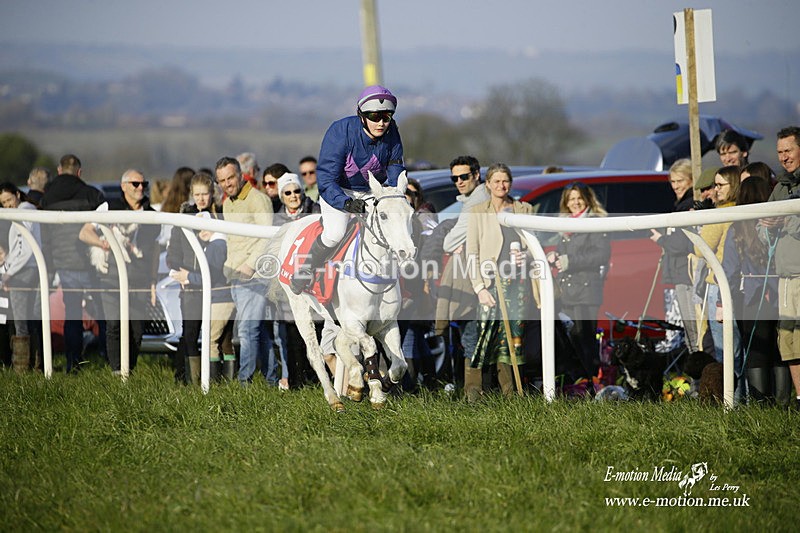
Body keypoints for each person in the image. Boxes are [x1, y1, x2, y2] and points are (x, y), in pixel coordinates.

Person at [289, 85, 404, 295]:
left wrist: (392, 196)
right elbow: (325, 179)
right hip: (339, 191)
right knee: (335, 233)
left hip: (373, 192)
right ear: (361, 116)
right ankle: (304, 273)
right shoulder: (340, 131)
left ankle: (402, 286)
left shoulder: (392, 131)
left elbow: (395, 167)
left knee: (396, 229)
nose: (381, 123)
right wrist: (346, 203)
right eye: (374, 116)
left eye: (386, 116)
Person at [465, 163, 537, 400]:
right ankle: (474, 392)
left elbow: (535, 247)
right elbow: (471, 252)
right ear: (487, 184)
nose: (501, 185)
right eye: (496, 181)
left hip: (517, 282)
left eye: (505, 181)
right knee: (483, 336)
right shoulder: (477, 211)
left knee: (511, 338)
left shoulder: (524, 210)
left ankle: (512, 392)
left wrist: (525, 255)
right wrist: (479, 288)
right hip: (489, 282)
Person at [80, 169, 160, 375]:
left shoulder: (151, 215)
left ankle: (129, 370)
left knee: (136, 330)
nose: (141, 187)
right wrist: (102, 243)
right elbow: (84, 232)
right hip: (112, 278)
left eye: (144, 184)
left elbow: (154, 251)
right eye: (135, 184)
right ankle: (117, 373)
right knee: (114, 324)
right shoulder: (109, 207)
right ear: (124, 186)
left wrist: (153, 281)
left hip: (140, 279)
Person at [722, 176, 790, 404]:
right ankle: (783, 404)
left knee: (756, 353)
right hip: (781, 295)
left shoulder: (736, 229)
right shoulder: (780, 226)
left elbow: (729, 270)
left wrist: (723, 303)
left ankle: (762, 405)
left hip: (750, 299)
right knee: (781, 350)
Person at [167, 173, 235, 384]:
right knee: (190, 335)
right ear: (191, 195)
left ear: (212, 194)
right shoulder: (184, 221)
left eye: (205, 194)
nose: (201, 199)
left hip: (219, 288)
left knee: (222, 338)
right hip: (191, 287)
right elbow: (172, 255)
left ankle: (223, 382)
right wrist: (183, 274)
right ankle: (193, 381)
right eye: (197, 195)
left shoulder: (221, 218)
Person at [40, 154, 106, 373]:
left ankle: (73, 363)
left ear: (59, 170)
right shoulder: (91, 193)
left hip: (63, 261)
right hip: (90, 261)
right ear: (79, 172)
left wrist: (49, 264)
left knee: (72, 315)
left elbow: (45, 235)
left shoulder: (47, 197)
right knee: (102, 311)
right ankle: (109, 358)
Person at [215, 156, 273, 384]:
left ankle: (244, 382)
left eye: (230, 177)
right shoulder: (227, 202)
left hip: (254, 275)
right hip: (235, 276)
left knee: (248, 331)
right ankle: (271, 379)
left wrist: (251, 264)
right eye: (222, 180)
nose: (227, 183)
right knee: (259, 333)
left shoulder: (258, 200)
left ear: (240, 175)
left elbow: (267, 236)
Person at [434, 155, 488, 389]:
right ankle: (478, 392)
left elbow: (449, 242)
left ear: (476, 174)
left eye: (464, 176)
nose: (459, 181)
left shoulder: (478, 200)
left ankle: (474, 395)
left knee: (472, 337)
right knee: (473, 336)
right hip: (475, 276)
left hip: (478, 279)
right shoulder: (472, 200)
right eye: (454, 178)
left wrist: (457, 241)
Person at [546, 182, 611, 377]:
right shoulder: (566, 225)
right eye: (571, 199)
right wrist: (554, 257)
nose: (575, 202)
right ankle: (577, 383)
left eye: (578, 198)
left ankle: (590, 382)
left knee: (585, 340)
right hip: (567, 292)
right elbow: (564, 252)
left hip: (586, 291)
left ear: (587, 199)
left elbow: (601, 254)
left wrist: (569, 261)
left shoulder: (595, 222)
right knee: (571, 339)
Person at [760, 126, 800, 409]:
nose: (784, 158)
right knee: (787, 340)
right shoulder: (780, 187)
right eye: (780, 152)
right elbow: (763, 230)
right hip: (784, 276)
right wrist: (769, 228)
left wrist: (783, 222)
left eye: (789, 150)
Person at [695, 166, 743, 377]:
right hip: (741, 283)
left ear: (733, 186)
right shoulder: (743, 210)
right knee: (739, 349)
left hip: (719, 284)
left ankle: (731, 401)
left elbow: (699, 248)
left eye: (720, 185)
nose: (715, 190)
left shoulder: (721, 214)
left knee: (725, 350)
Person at [650, 159, 699, 353]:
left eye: (681, 181)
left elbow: (681, 243)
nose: (676, 186)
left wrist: (661, 239)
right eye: (673, 181)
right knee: (689, 331)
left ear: (691, 180)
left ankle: (699, 381)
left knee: (693, 331)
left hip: (686, 274)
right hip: (679, 272)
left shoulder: (689, 205)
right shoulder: (679, 204)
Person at [0, 183, 42, 371]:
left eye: (9, 200)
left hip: (22, 271)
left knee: (20, 323)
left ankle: (21, 369)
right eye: (3, 203)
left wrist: (7, 272)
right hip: (33, 269)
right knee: (32, 321)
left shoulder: (23, 212)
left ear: (18, 194)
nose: (7, 205)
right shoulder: (30, 209)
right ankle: (37, 365)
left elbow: (22, 248)